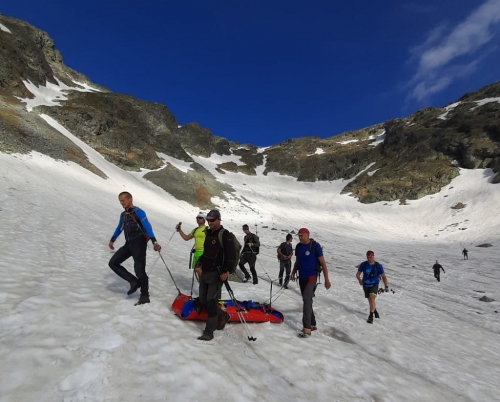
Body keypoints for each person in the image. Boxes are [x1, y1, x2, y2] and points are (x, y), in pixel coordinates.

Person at [108, 192, 161, 305]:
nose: (122, 203)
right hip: (129, 244)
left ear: (130, 199)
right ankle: (133, 281)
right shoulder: (123, 215)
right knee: (113, 263)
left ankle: (145, 295)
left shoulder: (139, 212)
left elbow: (147, 226)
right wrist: (113, 239)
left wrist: (154, 242)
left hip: (139, 244)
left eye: (123, 200)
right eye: (120, 201)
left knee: (139, 270)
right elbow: (120, 227)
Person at [195, 209, 236, 341]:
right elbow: (207, 252)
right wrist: (199, 263)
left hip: (217, 273)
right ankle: (223, 316)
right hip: (205, 271)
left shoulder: (225, 235)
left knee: (211, 302)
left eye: (212, 220)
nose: (209, 222)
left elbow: (231, 255)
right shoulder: (208, 234)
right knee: (203, 300)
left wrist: (227, 270)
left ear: (218, 220)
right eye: (208, 220)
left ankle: (209, 332)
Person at [290, 228, 331, 337]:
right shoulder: (299, 247)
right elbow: (298, 261)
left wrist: (326, 280)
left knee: (307, 299)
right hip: (301, 277)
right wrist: (293, 272)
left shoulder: (315, 246)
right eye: (299, 236)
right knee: (307, 300)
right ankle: (313, 324)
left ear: (308, 235)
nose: (300, 237)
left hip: (311, 277)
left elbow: (323, 263)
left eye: (302, 235)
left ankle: (307, 328)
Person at [356, 250, 389, 324]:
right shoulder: (363, 264)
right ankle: (375, 311)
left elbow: (384, 277)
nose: (369, 259)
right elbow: (357, 274)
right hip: (365, 285)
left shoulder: (378, 266)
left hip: (374, 285)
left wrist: (386, 286)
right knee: (371, 301)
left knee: (371, 298)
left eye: (370, 257)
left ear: (373, 256)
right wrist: (359, 280)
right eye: (367, 257)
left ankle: (371, 317)